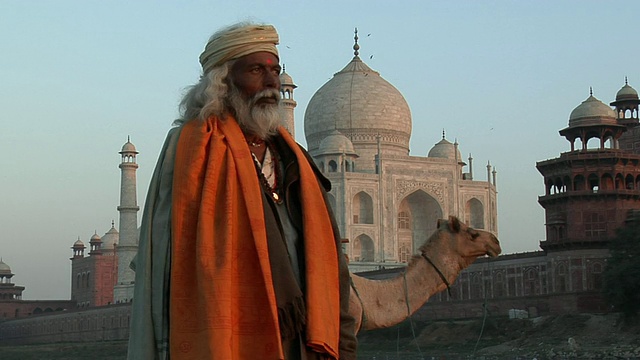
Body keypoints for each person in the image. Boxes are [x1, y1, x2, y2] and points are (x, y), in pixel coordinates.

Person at [127, 22, 358, 360]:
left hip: (303, 340)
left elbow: (332, 266)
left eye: (274, 71)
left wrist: (345, 341)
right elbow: (165, 259)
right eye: (255, 70)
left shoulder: (296, 161)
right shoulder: (192, 150)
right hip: (227, 339)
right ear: (222, 81)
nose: (271, 82)